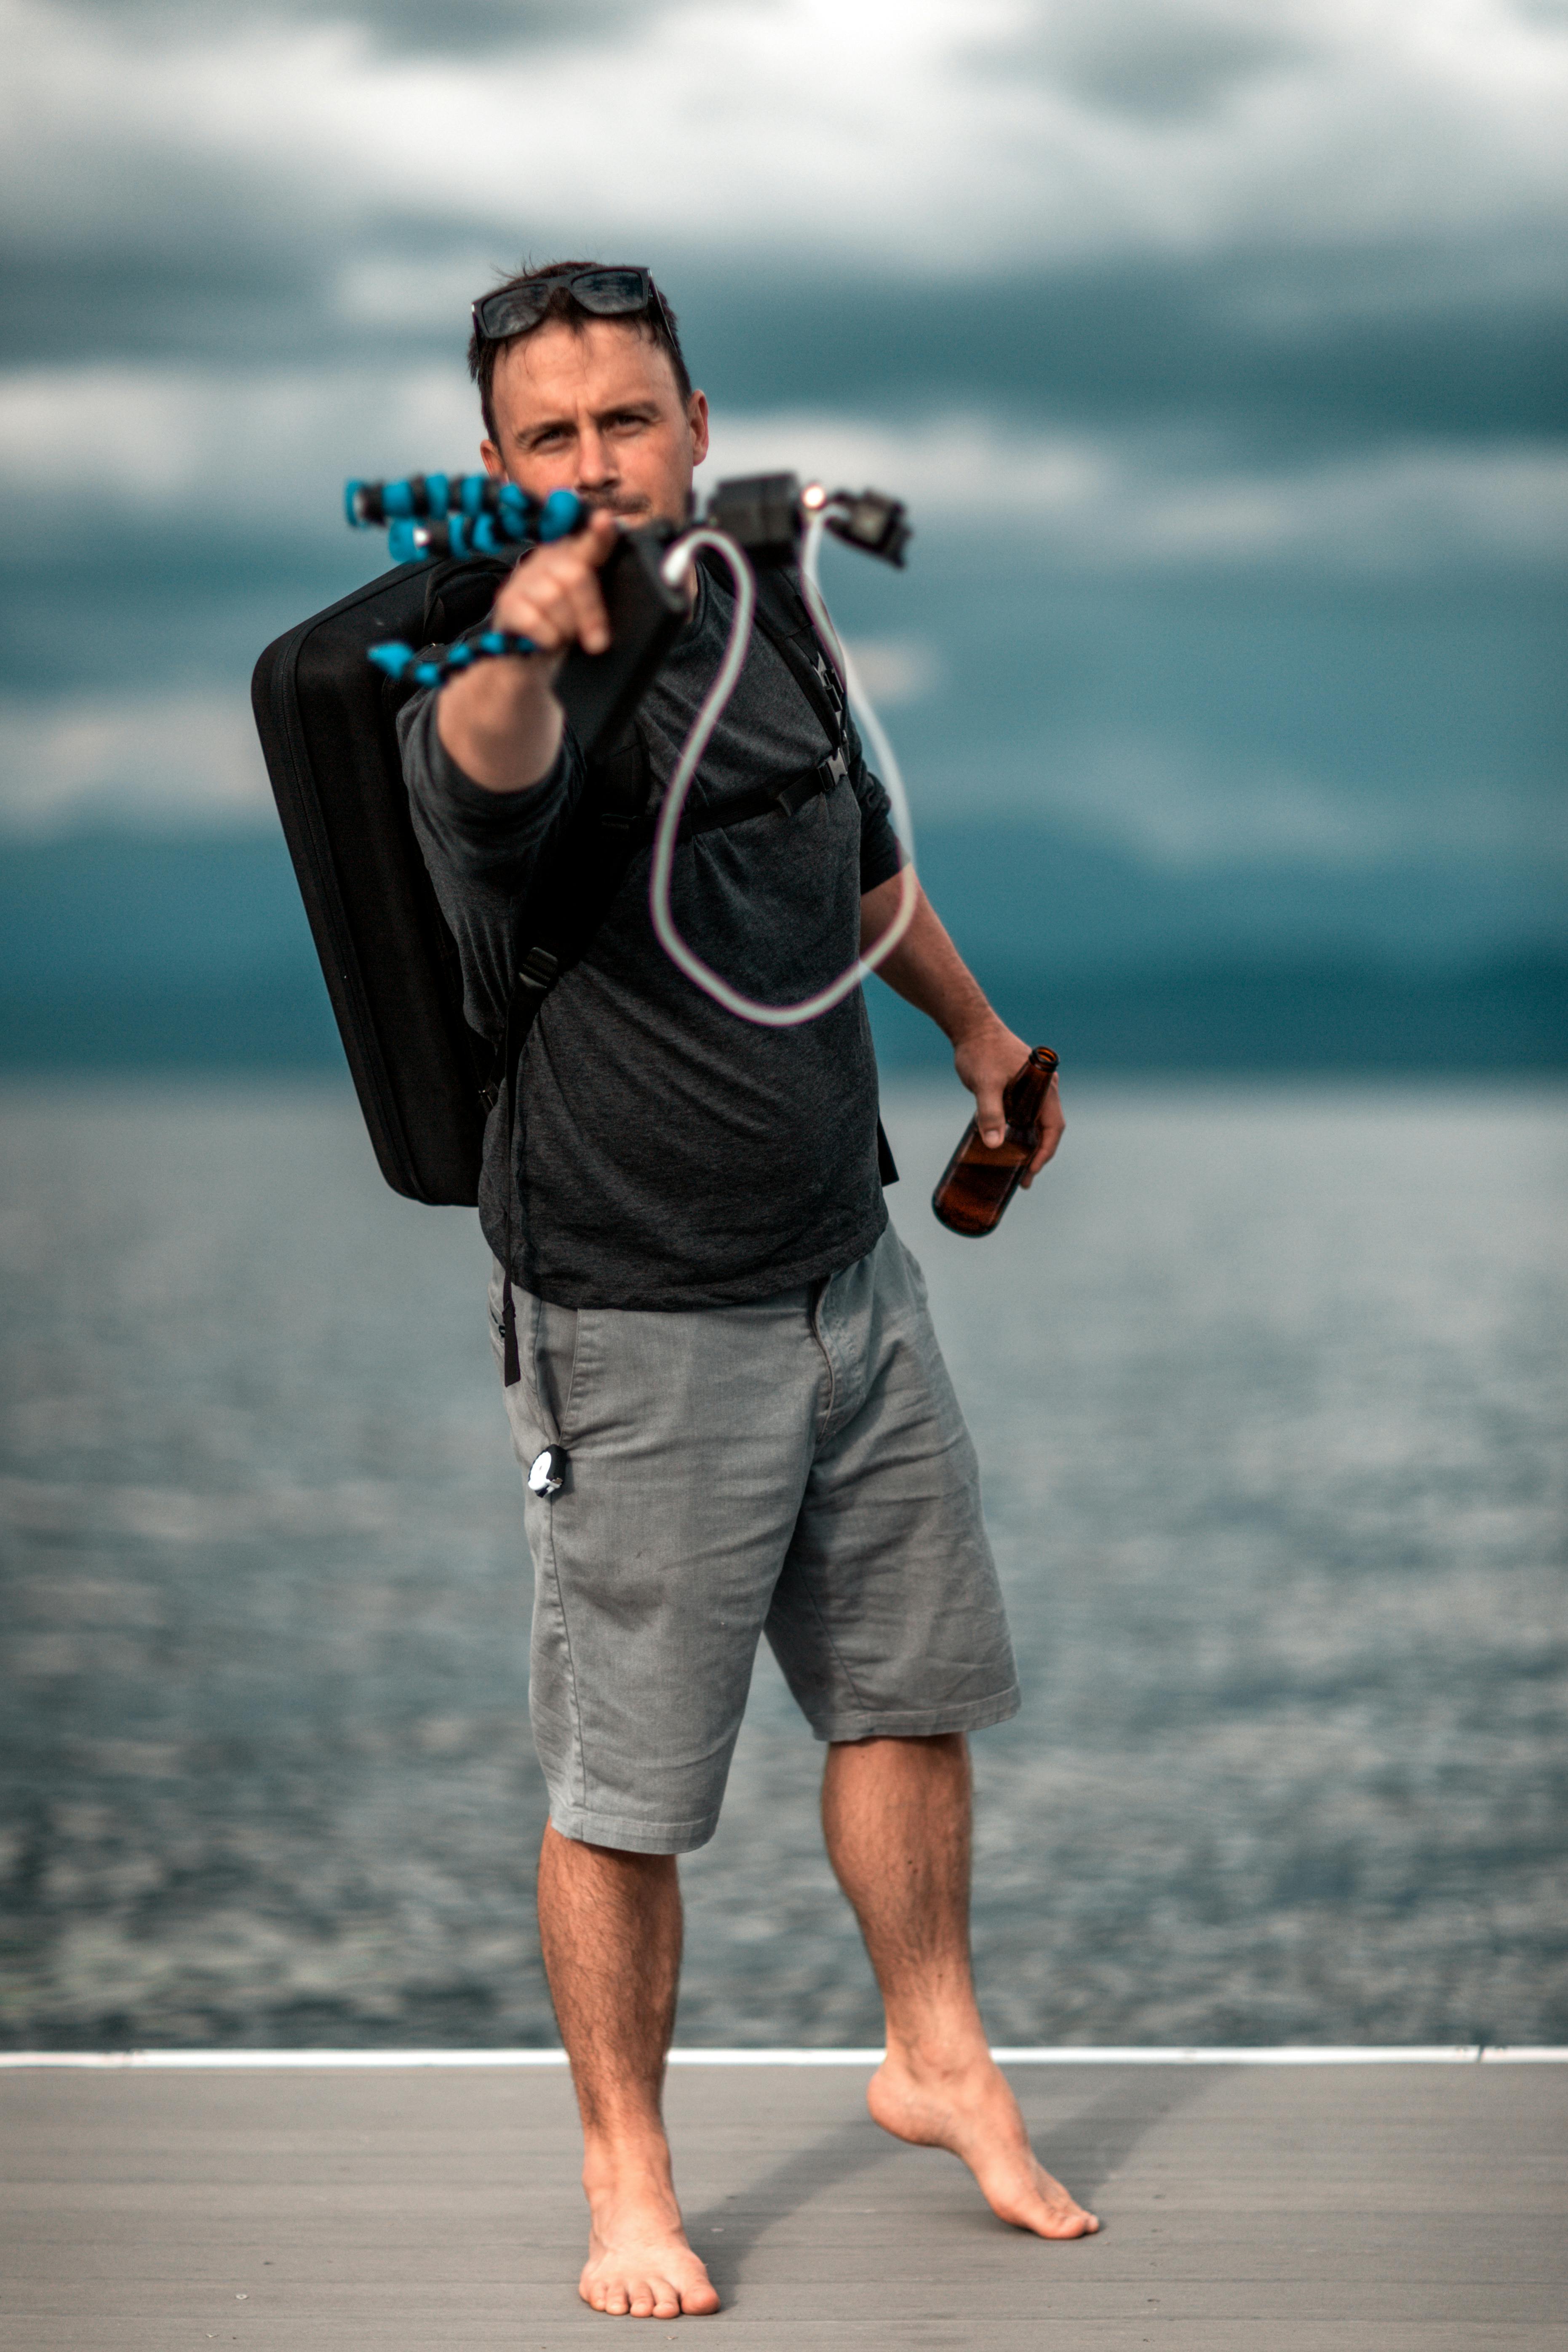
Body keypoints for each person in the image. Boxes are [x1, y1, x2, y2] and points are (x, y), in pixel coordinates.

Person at [398, 260, 1095, 2321]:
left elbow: (858, 867)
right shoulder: (486, 650)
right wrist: (525, 646)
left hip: (845, 1268)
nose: (599, 461)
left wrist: (976, 1041)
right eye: (551, 435)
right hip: (631, 1312)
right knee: (627, 1790)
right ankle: (627, 2175)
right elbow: (486, 768)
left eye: (629, 418)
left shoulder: (772, 601)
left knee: (904, 1694)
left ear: (697, 422)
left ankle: (933, 2054)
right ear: (498, 468)